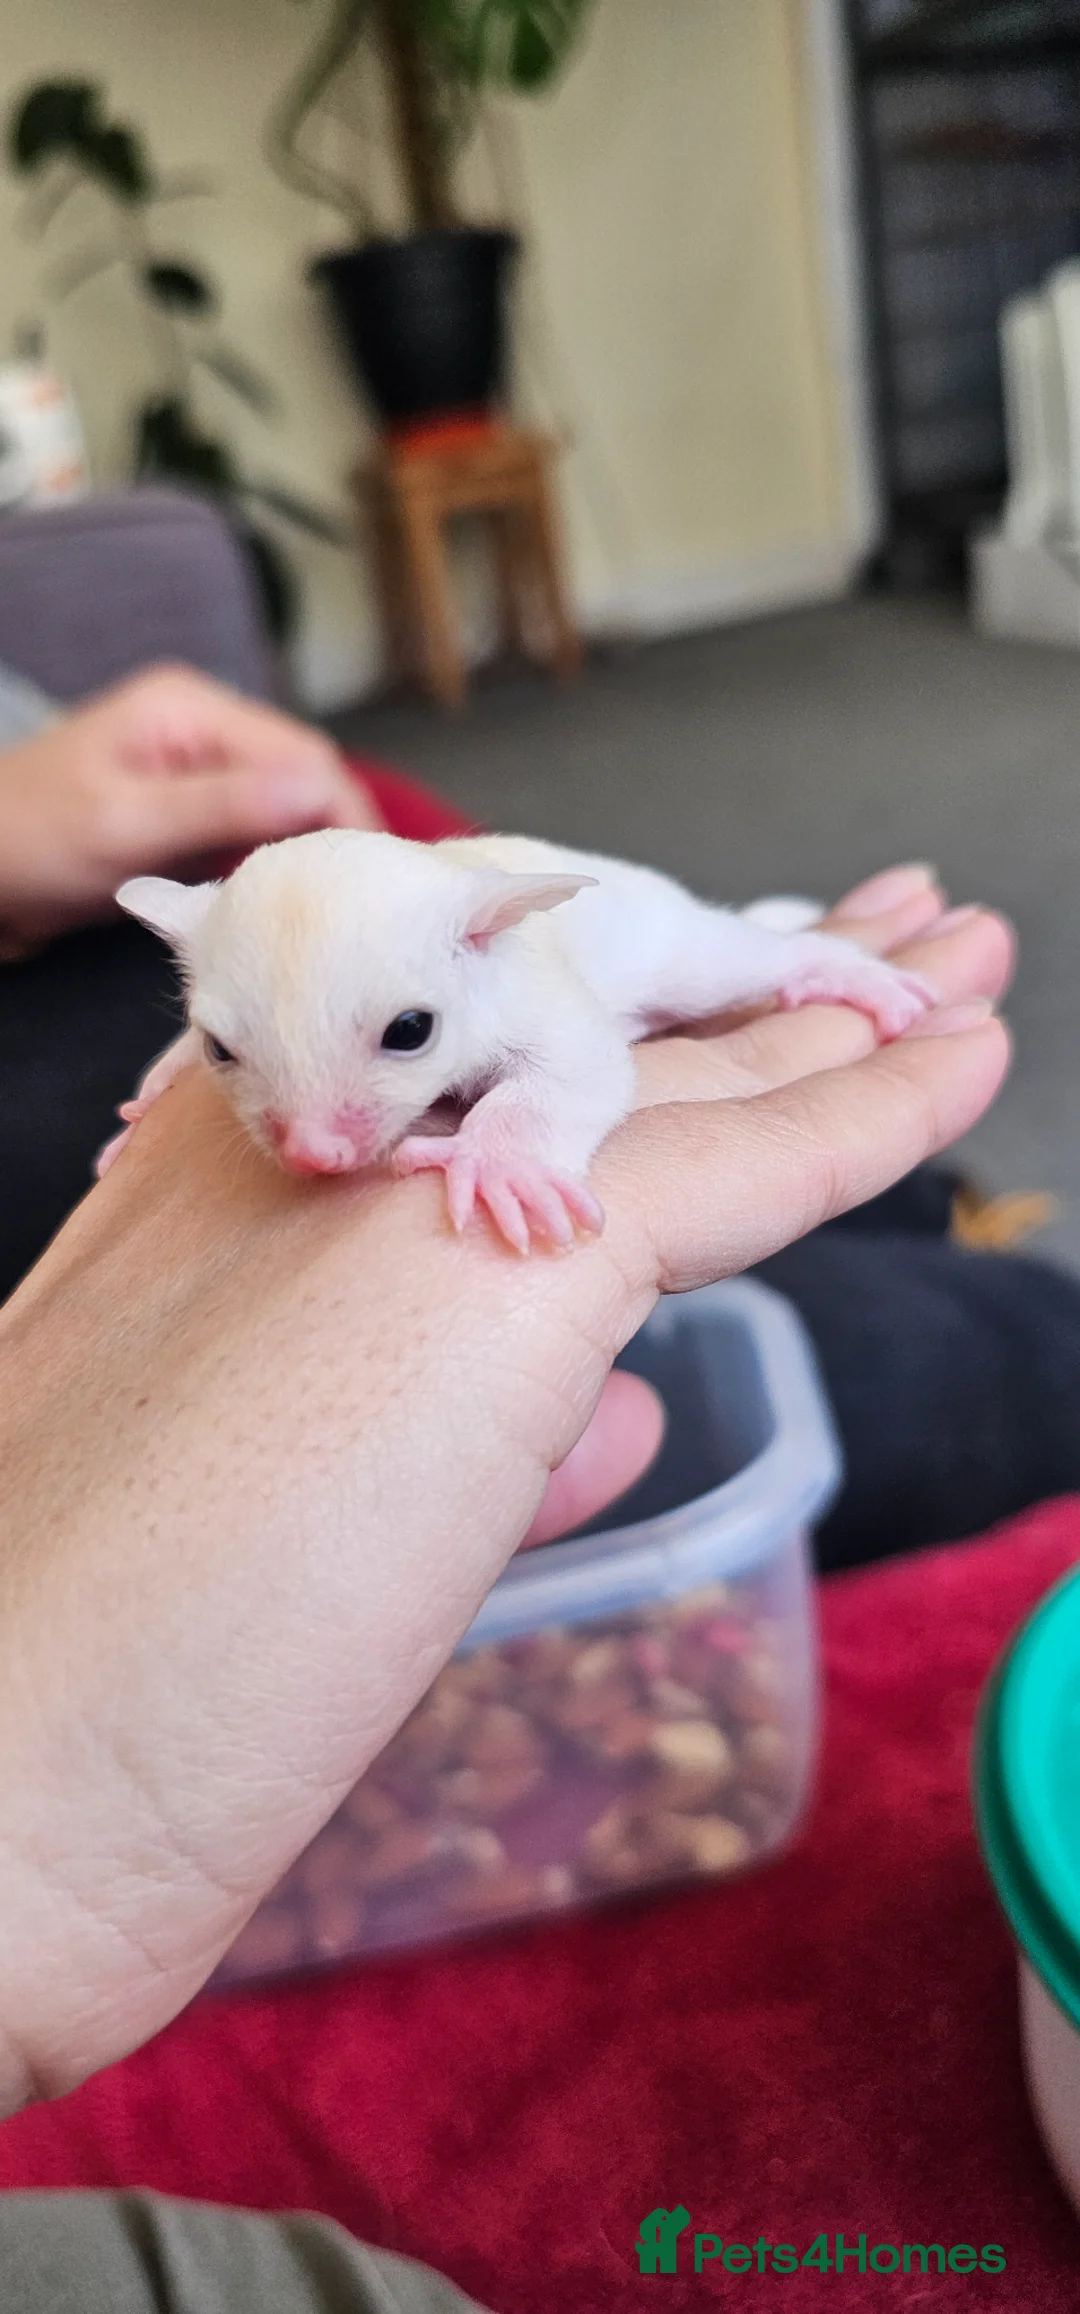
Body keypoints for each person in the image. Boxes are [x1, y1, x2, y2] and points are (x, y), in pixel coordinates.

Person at [0, 688, 1010, 2308]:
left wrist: (527, 1124)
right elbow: (255, 1020)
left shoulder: (518, 941)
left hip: (612, 929)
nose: (317, 1145)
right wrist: (192, 1082)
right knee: (962, 1313)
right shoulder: (271, 983)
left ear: (484, 946)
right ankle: (951, 1235)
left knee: (710, 970)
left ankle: (816, 983)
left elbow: (583, 1049)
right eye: (236, 1053)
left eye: (398, 1045)